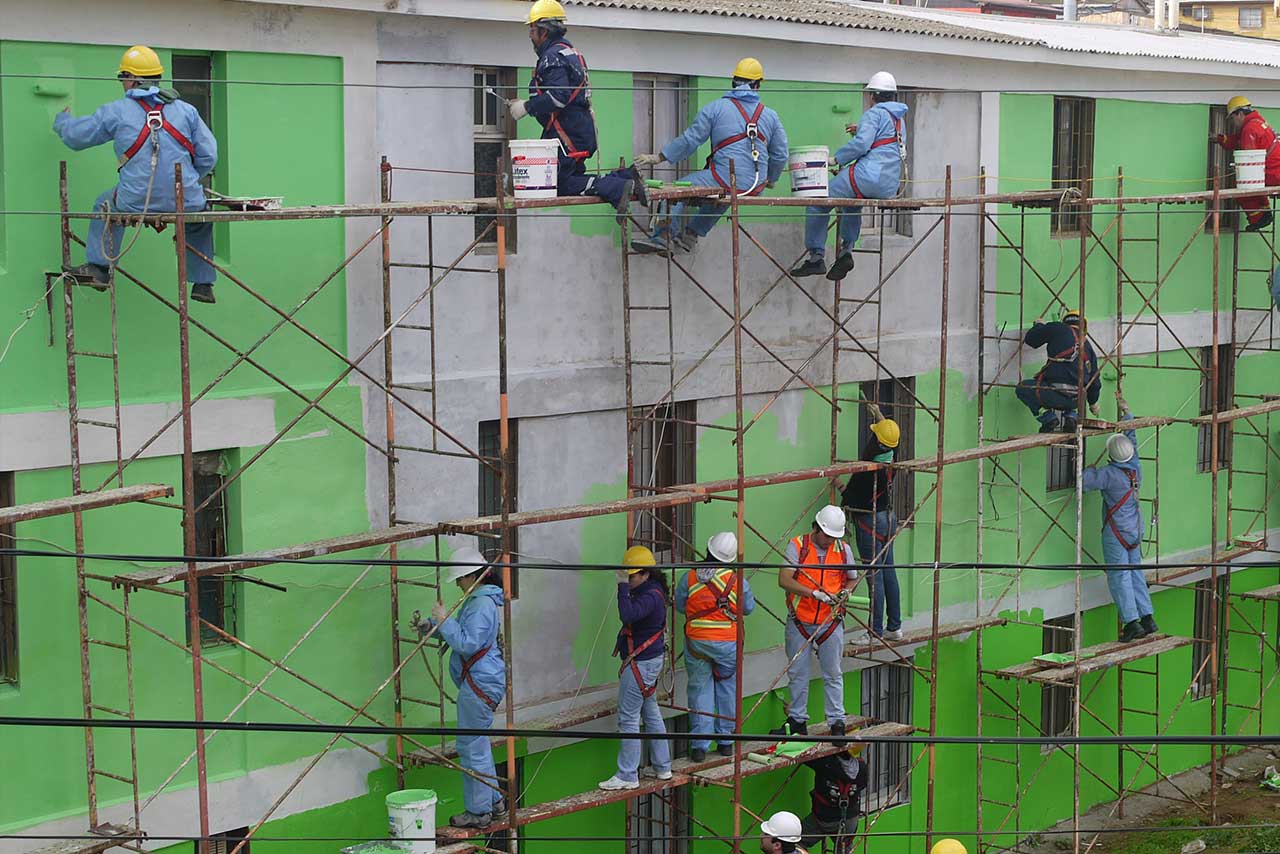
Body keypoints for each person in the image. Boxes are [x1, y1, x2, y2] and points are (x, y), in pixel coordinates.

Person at [54, 46, 218, 303]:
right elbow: (209, 155)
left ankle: (99, 269)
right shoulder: (187, 111)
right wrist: (188, 180)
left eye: (122, 77)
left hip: (135, 200)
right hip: (184, 197)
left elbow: (77, 137)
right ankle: (203, 283)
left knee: (105, 205)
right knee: (199, 218)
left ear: (131, 78)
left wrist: (61, 122)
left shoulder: (116, 111)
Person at [630, 58, 789, 256]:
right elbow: (781, 154)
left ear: (733, 82)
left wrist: (659, 157)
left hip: (724, 178)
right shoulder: (771, 116)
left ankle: (663, 237)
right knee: (722, 198)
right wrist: (770, 179)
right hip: (754, 186)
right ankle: (689, 236)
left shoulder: (715, 109)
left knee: (673, 193)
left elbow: (690, 140)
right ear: (757, 85)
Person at [507, 0, 645, 221]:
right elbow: (563, 94)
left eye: (532, 30)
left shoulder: (551, 57)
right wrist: (529, 103)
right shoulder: (570, 53)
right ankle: (624, 177)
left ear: (544, 30)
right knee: (570, 177)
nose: (530, 36)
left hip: (567, 133)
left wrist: (527, 106)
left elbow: (558, 97)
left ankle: (619, 188)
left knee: (556, 183)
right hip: (578, 130)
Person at [416, 546, 507, 828]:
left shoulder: (480, 604)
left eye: (459, 578)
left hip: (480, 683)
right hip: (480, 681)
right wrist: (435, 625)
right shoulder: (479, 600)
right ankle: (493, 801)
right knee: (477, 745)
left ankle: (479, 812)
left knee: (470, 747)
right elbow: (463, 634)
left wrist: (443, 621)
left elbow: (467, 643)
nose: (457, 583)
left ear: (471, 576)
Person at [792, 72, 908, 283]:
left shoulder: (873, 114)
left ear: (873, 95)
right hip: (888, 185)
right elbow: (882, 144)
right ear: (893, 96)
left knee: (818, 202)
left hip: (866, 177)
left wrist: (836, 159)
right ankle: (846, 250)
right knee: (852, 202)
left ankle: (816, 256)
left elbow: (863, 145)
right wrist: (861, 130)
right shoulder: (899, 120)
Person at [774, 505, 858, 738]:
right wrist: (812, 593)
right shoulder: (798, 546)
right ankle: (797, 721)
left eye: (834, 537)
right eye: (828, 536)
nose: (830, 541)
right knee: (798, 673)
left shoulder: (842, 550)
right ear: (818, 528)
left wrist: (846, 593)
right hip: (800, 619)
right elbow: (784, 579)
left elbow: (852, 578)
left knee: (833, 673)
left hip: (830, 621)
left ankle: (836, 722)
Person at [674, 531, 757, 762]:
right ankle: (726, 742)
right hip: (727, 644)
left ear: (708, 550)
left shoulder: (690, 577)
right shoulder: (737, 580)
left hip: (697, 642)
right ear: (731, 559)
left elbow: (680, 605)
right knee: (728, 689)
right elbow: (748, 608)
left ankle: (700, 746)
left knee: (700, 691)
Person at [1082, 396, 1157, 643]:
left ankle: (1131, 623)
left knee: (1119, 577)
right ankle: (1147, 617)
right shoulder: (1135, 467)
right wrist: (1127, 413)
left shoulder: (1107, 475)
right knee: (1135, 572)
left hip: (1116, 533)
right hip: (1135, 529)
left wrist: (1087, 466)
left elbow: (1082, 483)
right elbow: (1130, 439)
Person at [600, 545, 672, 790]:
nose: (628, 579)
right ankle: (663, 767)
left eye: (631, 576)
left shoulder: (650, 596)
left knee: (628, 718)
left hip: (642, 664)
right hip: (648, 662)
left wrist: (621, 587)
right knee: (650, 712)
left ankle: (627, 774)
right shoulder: (652, 590)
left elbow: (627, 615)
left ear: (645, 574)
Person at [840, 401, 903, 643]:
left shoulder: (868, 470)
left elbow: (850, 498)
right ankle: (894, 627)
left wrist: (838, 485)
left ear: (876, 442)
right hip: (888, 517)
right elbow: (888, 435)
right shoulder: (893, 453)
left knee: (873, 575)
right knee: (889, 572)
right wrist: (879, 415)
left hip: (870, 521)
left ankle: (874, 631)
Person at [1015, 309, 1101, 433]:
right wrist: (1093, 403)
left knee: (1023, 388)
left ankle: (1048, 418)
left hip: (1053, 395)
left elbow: (1031, 340)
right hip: (1076, 400)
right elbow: (1095, 381)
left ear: (1064, 321)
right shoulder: (1088, 347)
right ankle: (1071, 417)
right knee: (1074, 387)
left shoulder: (1057, 328)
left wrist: (1039, 325)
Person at [1213, 96, 1280, 233]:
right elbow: (1237, 140)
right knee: (1253, 183)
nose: (1233, 123)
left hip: (1274, 173)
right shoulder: (1257, 123)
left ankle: (1259, 217)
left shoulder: (1250, 129)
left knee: (1243, 186)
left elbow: (1250, 160)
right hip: (1274, 170)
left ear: (1240, 114)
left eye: (1232, 119)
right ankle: (1264, 212)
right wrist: (1221, 139)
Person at [800, 744, 869, 854]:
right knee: (844, 848)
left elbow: (802, 754)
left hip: (823, 818)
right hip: (849, 821)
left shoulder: (825, 763)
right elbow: (862, 784)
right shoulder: (862, 767)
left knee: (794, 840)